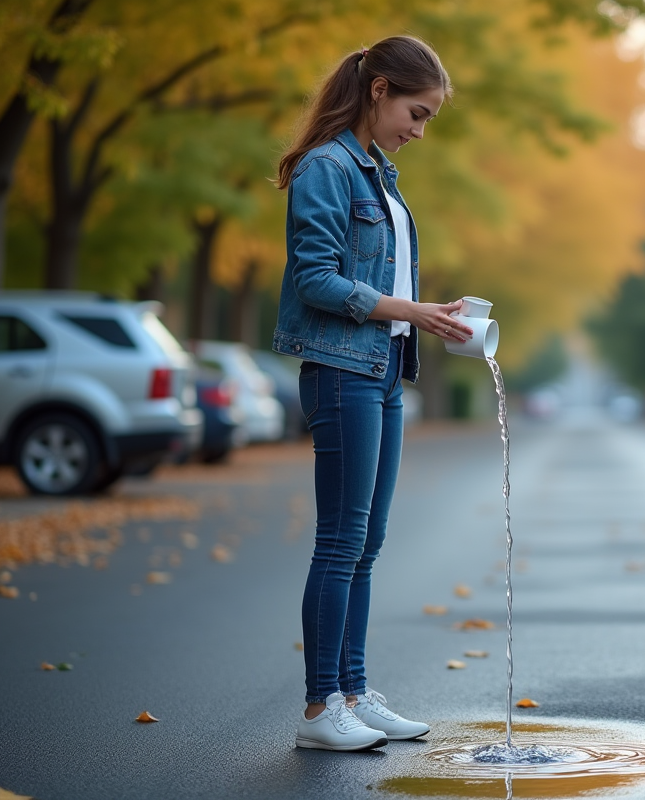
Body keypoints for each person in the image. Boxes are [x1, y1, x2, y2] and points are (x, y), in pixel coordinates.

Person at [273, 35, 474, 751]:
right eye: (416, 114)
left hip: (382, 369)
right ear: (381, 88)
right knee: (339, 541)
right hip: (340, 370)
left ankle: (354, 692)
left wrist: (430, 314)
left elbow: (383, 283)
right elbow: (315, 280)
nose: (419, 132)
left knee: (367, 542)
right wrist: (409, 312)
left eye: (428, 121)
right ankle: (319, 710)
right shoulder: (328, 169)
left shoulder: (378, 175)